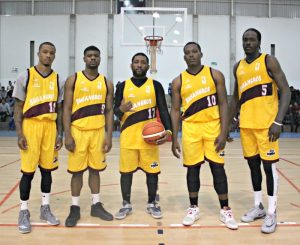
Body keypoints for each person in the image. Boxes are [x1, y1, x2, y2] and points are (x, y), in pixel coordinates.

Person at [228, 28, 291, 233]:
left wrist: (279, 122)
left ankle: (272, 212)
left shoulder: (268, 61)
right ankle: (259, 207)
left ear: (259, 42)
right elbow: (236, 98)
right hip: (247, 126)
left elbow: (286, 91)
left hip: (267, 126)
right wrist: (230, 121)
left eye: (252, 40)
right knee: (253, 168)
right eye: (245, 40)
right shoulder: (238, 66)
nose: (248, 43)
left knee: (269, 169)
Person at [171, 42, 238, 230]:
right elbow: (175, 110)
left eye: (194, 52)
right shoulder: (178, 81)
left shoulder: (215, 75)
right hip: (191, 129)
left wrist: (224, 132)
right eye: (187, 53)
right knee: (192, 169)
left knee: (218, 168)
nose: (191, 55)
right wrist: (174, 137)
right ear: (184, 57)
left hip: (212, 127)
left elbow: (224, 104)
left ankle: (225, 209)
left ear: (201, 53)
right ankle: (193, 208)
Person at [13, 42, 64, 233]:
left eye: (52, 53)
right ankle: (23, 211)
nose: (48, 56)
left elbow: (59, 108)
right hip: (31, 126)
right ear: (38, 53)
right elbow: (18, 108)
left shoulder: (58, 79)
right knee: (28, 172)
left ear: (54, 55)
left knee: (47, 170)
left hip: (50, 128)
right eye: (45, 52)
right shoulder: (25, 76)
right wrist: (20, 134)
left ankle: (45, 208)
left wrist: (60, 134)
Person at [113, 52, 172, 220]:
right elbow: (116, 111)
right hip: (128, 138)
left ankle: (152, 203)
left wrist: (168, 132)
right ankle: (126, 204)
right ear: (131, 65)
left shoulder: (156, 85)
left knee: (152, 172)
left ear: (148, 66)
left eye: (143, 62)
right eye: (136, 62)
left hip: (150, 139)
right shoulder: (122, 86)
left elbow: (163, 110)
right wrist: (121, 110)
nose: (139, 65)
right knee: (126, 172)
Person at [63, 45, 114, 227]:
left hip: (98, 132)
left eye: (96, 56)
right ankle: (74, 207)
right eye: (89, 56)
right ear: (84, 58)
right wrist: (67, 134)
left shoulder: (106, 83)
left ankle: (96, 205)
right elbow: (66, 109)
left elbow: (108, 111)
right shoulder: (73, 80)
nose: (93, 58)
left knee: (95, 170)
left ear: (100, 59)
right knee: (77, 172)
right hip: (78, 132)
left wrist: (109, 135)